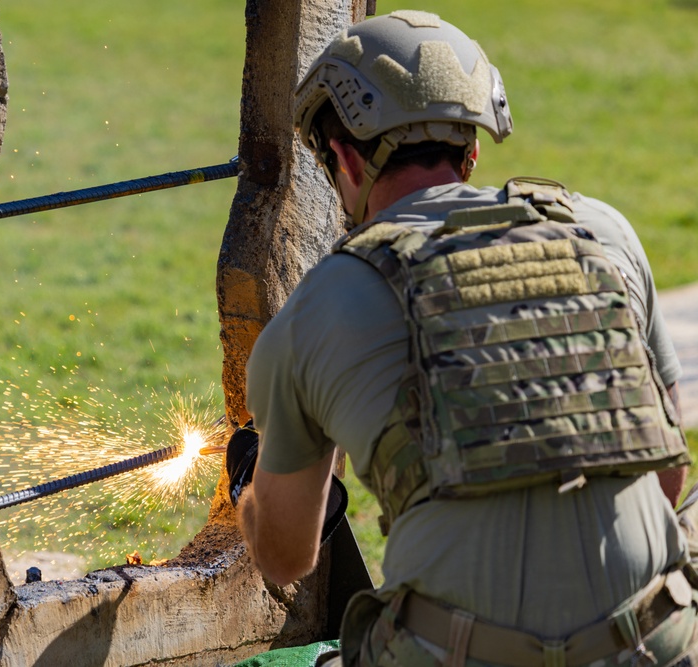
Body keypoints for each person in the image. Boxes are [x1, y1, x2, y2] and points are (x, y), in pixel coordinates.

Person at [227, 10, 697, 666]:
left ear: (342, 159)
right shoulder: (605, 232)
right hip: (651, 645)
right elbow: (669, 477)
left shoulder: (316, 307)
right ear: (472, 151)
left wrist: (251, 488)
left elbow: (284, 557)